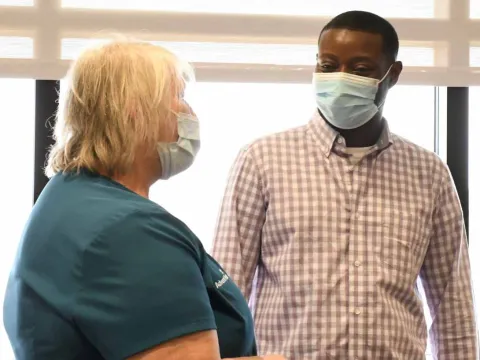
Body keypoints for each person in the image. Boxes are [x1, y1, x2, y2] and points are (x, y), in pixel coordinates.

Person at [212, 10, 478, 360]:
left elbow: (453, 307)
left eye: (360, 69)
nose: (339, 78)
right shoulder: (262, 160)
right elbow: (226, 295)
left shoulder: (428, 174)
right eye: (328, 65)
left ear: (392, 74)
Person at [3, 39, 285, 360]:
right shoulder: (128, 231)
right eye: (178, 96)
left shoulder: (67, 197)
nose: (188, 112)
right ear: (136, 112)